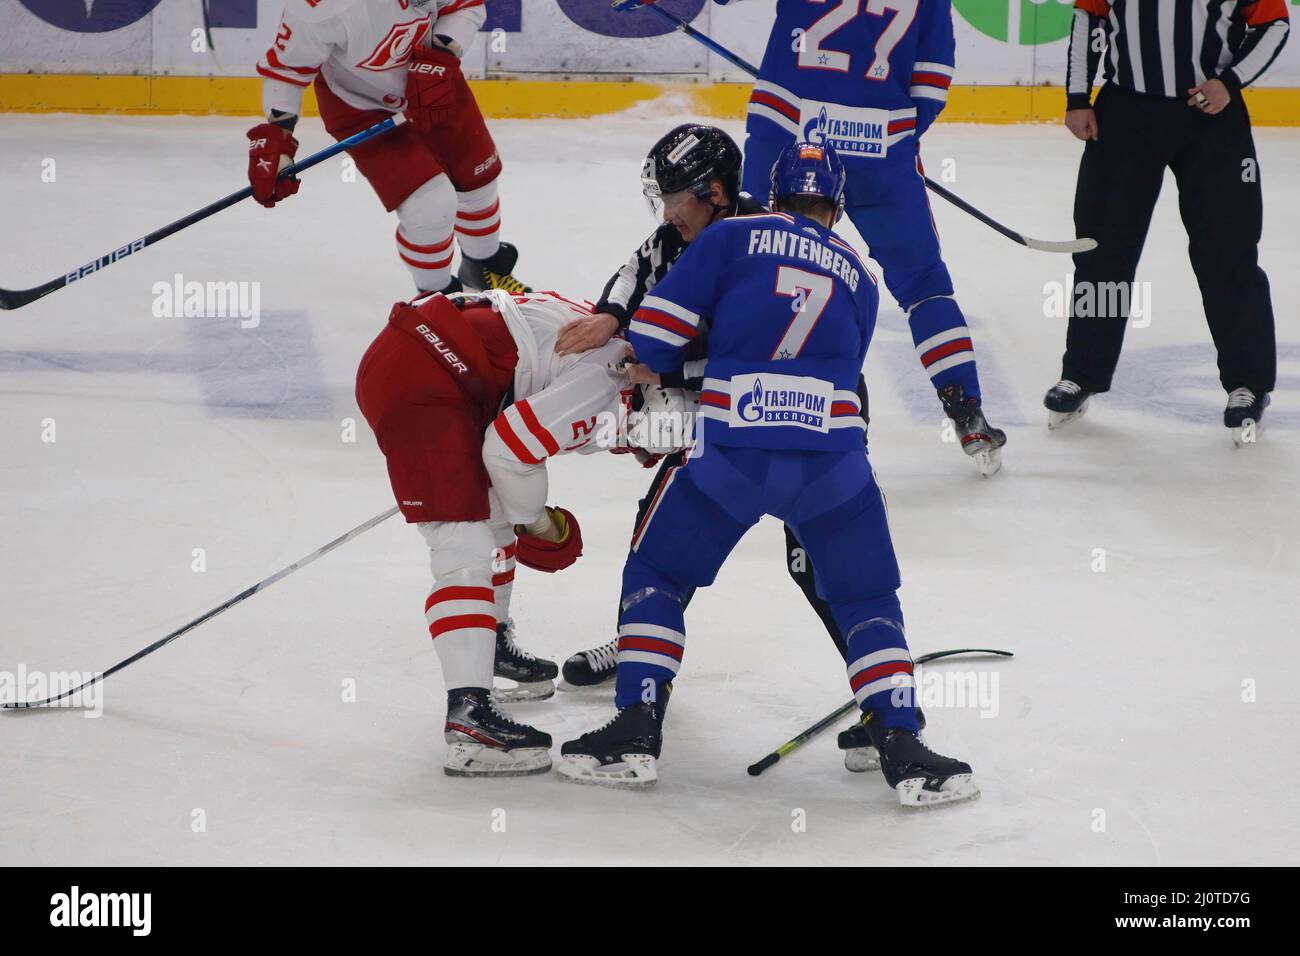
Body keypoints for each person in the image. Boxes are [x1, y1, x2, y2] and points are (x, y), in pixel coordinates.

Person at [557, 142, 978, 808]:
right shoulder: (863, 275)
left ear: (771, 194)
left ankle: (635, 730)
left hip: (734, 451)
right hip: (834, 459)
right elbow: (837, 362)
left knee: (658, 574)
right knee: (866, 598)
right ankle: (901, 742)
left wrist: (647, 360)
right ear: (837, 210)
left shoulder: (732, 240)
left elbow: (658, 338)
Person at [725, 0, 1006, 475]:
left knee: (749, 262)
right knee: (924, 287)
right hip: (882, 155)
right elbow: (933, 79)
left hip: (786, 136)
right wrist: (887, 143)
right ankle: (967, 411)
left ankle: (722, 402)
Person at [354, 289, 625, 775]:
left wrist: (522, 516)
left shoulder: (606, 331)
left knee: (493, 510)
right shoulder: (612, 373)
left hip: (431, 362)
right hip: (428, 379)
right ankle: (470, 719)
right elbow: (511, 447)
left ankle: (490, 640)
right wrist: (539, 523)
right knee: (462, 546)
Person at [1047, 0, 1289, 445]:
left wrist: (1229, 82)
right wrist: (1077, 96)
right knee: (1102, 251)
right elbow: (1089, 17)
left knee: (1228, 252)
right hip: (1125, 115)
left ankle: (1248, 382)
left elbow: (1274, 23)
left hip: (1212, 119)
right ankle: (1082, 373)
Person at [248, 0, 530, 295]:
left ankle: (483, 266)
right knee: (430, 207)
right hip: (361, 109)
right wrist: (278, 140)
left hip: (436, 82)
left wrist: (441, 55)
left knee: (478, 181)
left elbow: (465, 6)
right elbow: (288, 70)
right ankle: (436, 297)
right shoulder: (318, 7)